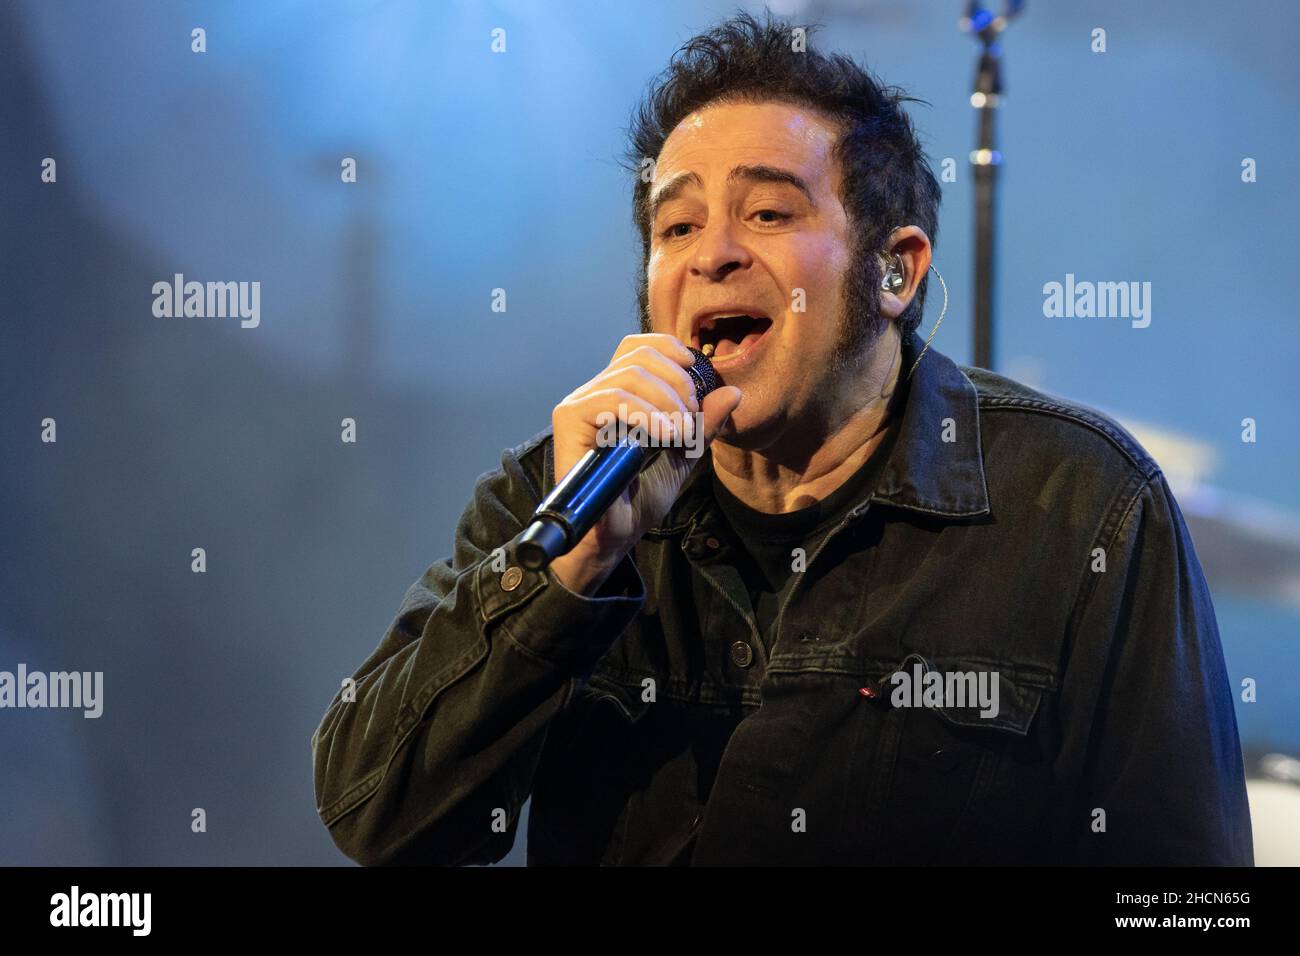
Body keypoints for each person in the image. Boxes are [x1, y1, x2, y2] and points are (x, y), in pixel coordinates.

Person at [311, 10, 1253, 866]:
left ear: (895, 270)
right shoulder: (559, 494)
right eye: (676, 225)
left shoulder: (1078, 506)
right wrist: (572, 574)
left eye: (767, 211)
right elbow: (378, 815)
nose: (712, 251)